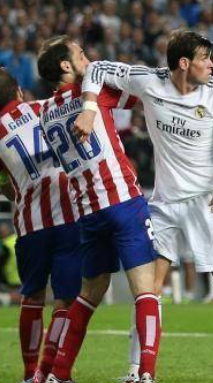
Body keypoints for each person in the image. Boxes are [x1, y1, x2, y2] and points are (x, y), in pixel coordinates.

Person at [73, 29, 213, 383]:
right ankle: (135, 372)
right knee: (148, 288)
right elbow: (95, 69)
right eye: (205, 59)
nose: (212, 64)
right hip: (164, 205)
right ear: (184, 63)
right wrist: (89, 109)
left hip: (210, 202)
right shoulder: (149, 81)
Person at [36, 36, 160, 383]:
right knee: (145, 289)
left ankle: (59, 374)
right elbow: (142, 94)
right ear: (66, 65)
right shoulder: (91, 93)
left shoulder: (44, 113)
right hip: (121, 200)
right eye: (80, 54)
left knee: (89, 293)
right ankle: (146, 374)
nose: (88, 59)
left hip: (87, 211)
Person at [0, 68, 82, 383]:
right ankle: (50, 371)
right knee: (65, 298)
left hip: (30, 224)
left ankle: (29, 374)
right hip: (68, 216)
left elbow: (6, 189)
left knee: (33, 297)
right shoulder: (44, 108)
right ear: (18, 91)